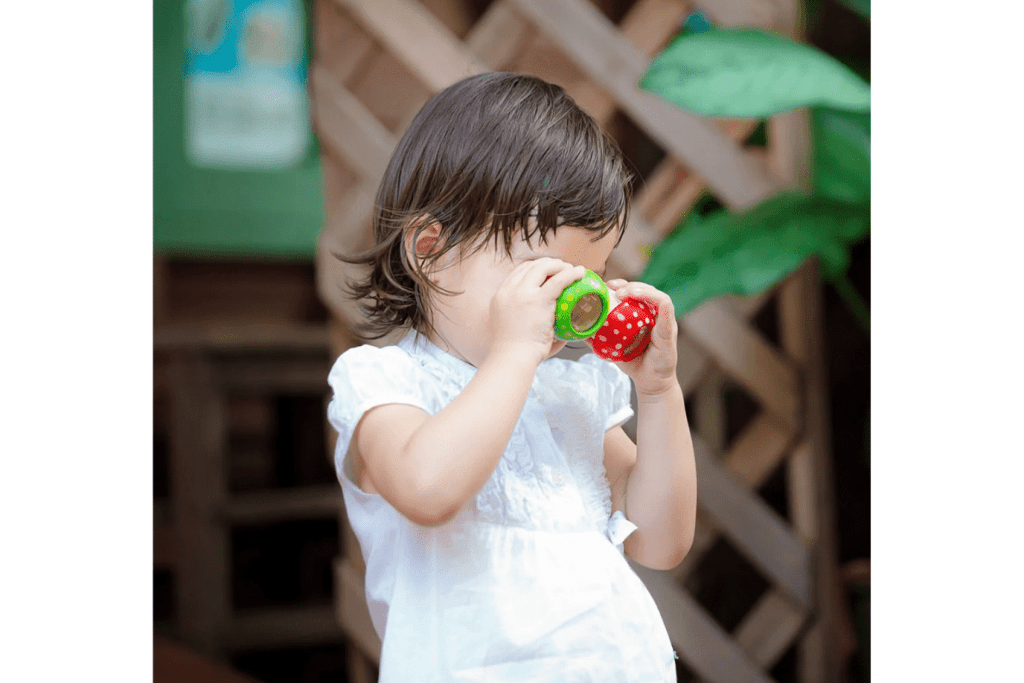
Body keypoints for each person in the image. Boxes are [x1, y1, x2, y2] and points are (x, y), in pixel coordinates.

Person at [326, 72, 697, 682]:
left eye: (587, 277)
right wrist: (514, 353)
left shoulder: (570, 400)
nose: (567, 304)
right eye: (544, 275)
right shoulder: (387, 385)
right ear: (430, 250)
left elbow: (659, 542)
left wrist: (658, 391)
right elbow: (428, 490)